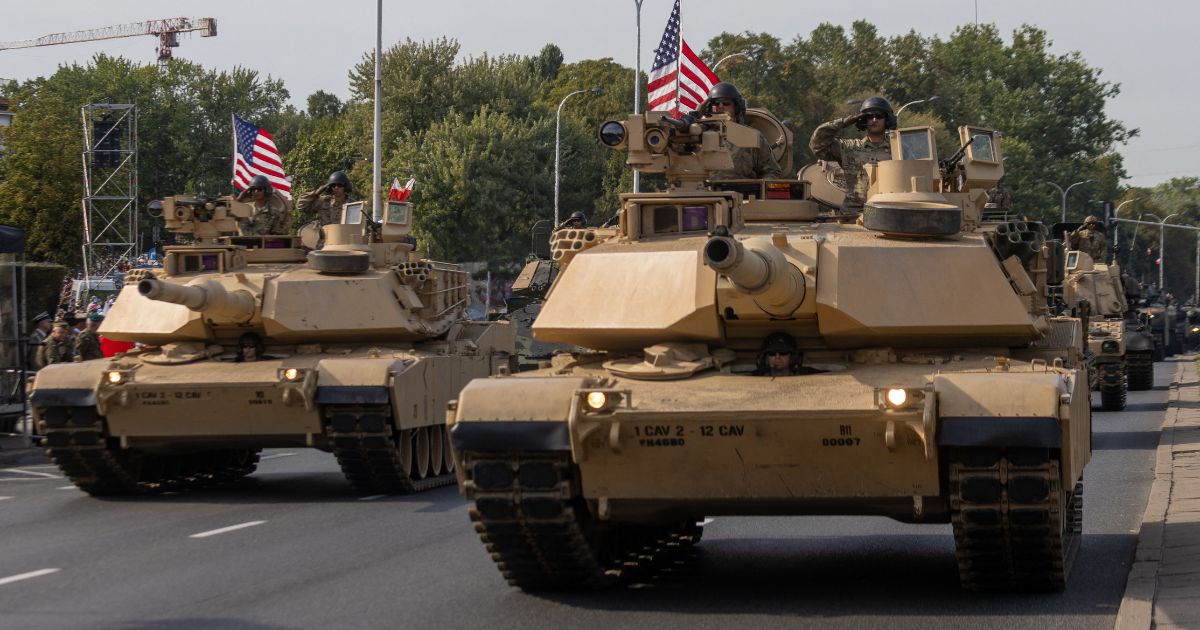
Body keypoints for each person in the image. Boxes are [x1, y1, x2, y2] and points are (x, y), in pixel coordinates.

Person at [809, 96, 895, 214]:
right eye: (869, 116)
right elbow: (817, 144)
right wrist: (844, 122)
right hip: (852, 215)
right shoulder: (849, 147)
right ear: (863, 120)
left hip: (887, 214)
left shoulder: (897, 149)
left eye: (879, 116)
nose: (874, 120)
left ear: (888, 120)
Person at [695, 82, 782, 180]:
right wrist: (695, 116)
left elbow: (772, 171)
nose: (720, 106)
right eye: (715, 103)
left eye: (726, 103)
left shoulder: (750, 136)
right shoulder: (698, 135)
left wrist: (759, 188)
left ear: (736, 107)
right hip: (704, 192)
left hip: (742, 192)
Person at [753, 331, 818, 376]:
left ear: (792, 357)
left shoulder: (807, 375)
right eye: (772, 353)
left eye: (783, 353)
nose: (777, 356)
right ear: (766, 358)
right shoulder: (755, 378)